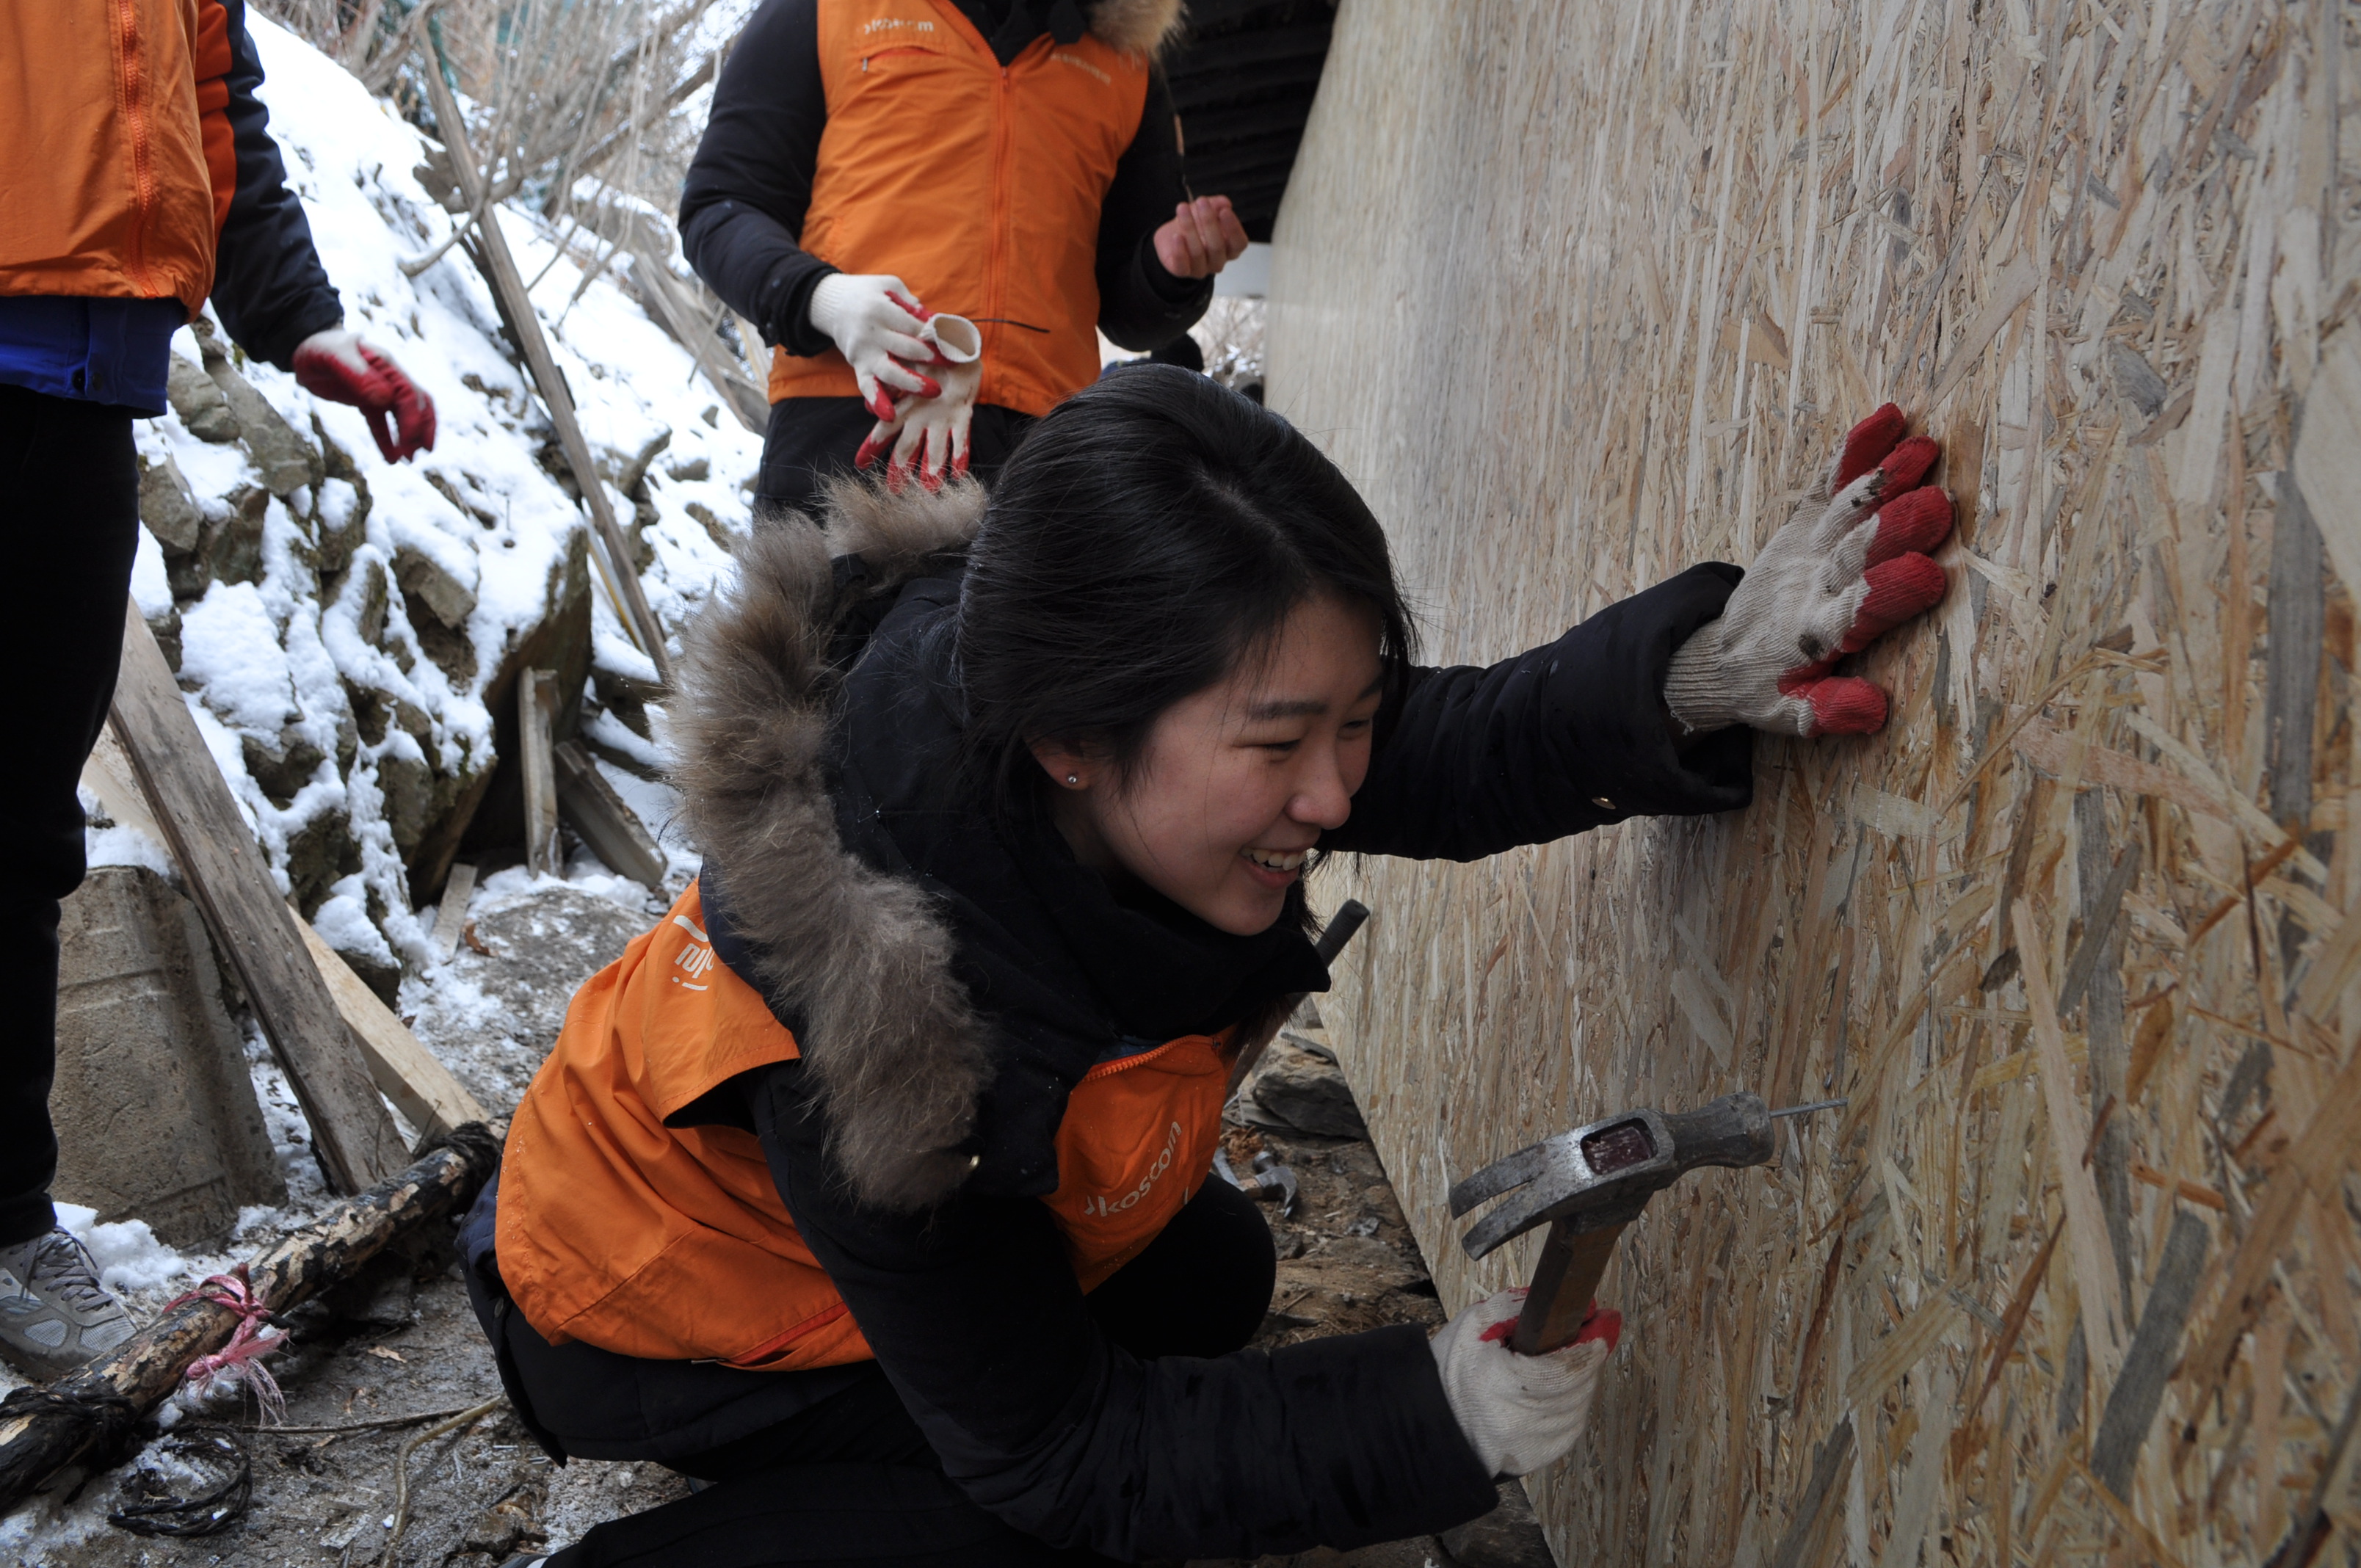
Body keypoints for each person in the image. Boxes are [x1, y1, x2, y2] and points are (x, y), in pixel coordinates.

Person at [463, 368, 1956, 1567]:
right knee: (1031, 1519)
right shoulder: (883, 1036)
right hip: (636, 1316)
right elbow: (1071, 1460)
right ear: (1072, 743)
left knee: (1214, 1280)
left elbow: (1421, 749)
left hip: (850, 1229)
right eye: (1277, 744)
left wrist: (1684, 681)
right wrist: (1424, 1418)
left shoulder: (1089, 683)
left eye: (1347, 717)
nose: (1332, 792)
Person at [0, 0, 434, 1381]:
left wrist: (294, 316)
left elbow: (205, 106)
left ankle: (3, 1226)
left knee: (14, 834)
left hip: (83, 387)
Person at [678, 0, 1249, 506]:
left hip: (1041, 457)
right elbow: (721, 205)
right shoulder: (825, 9)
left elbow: (1129, 307)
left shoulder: (1128, 63)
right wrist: (822, 297)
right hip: (842, 430)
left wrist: (1169, 272)